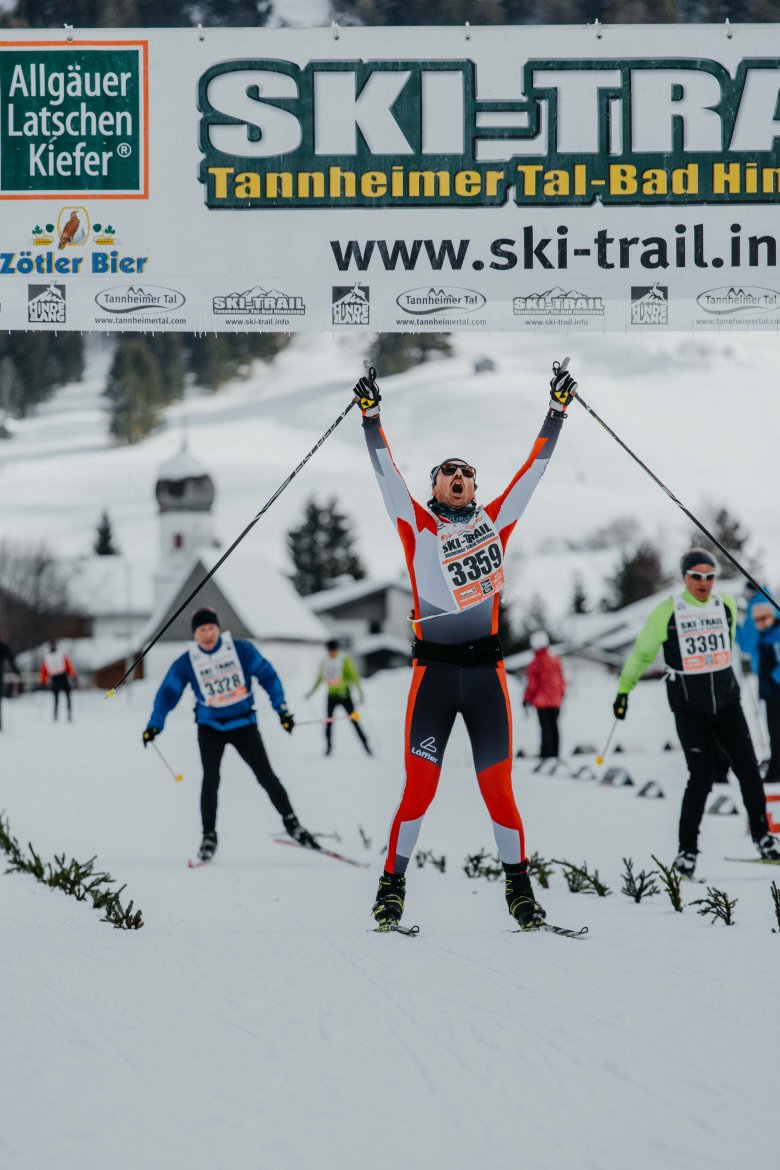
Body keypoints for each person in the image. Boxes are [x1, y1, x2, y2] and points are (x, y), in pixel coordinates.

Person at [353, 360, 577, 929]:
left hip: (486, 677)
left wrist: (556, 413)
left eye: (466, 473)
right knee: (419, 790)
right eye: (446, 472)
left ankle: (520, 893)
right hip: (433, 676)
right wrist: (371, 419)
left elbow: (533, 473)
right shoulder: (418, 527)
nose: (457, 477)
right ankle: (391, 888)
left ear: (475, 488)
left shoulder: (495, 524)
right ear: (434, 488)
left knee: (498, 787)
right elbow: (386, 475)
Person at [613, 548, 780, 878]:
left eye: (710, 576)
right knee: (700, 779)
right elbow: (642, 653)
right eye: (696, 576)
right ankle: (687, 851)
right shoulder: (667, 611)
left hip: (728, 704)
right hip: (690, 710)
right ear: (684, 577)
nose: (704, 583)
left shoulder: (727, 605)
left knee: (748, 770)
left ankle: (763, 839)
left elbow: (742, 642)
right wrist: (624, 690)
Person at [142, 607, 317, 862]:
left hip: (244, 724)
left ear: (218, 629)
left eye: (211, 628)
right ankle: (209, 836)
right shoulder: (187, 661)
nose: (207, 634)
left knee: (266, 775)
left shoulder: (240, 650)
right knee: (210, 779)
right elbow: (169, 692)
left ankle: (293, 824)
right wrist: (154, 724)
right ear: (195, 634)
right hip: (210, 728)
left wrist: (282, 710)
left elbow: (268, 676)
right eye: (201, 630)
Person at [306, 639, 372, 756]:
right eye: (330, 651)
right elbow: (319, 678)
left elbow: (354, 677)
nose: (332, 653)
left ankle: (366, 746)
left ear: (337, 650)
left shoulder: (345, 660)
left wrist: (360, 693)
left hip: (345, 696)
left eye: (334, 650)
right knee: (329, 722)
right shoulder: (325, 662)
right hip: (331, 696)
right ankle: (328, 748)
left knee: (354, 721)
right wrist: (311, 692)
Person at [523, 630, 566, 758]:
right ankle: (555, 753)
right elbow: (561, 681)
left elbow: (532, 685)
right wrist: (561, 695)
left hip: (542, 702)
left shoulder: (536, 663)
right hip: (556, 701)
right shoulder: (555, 661)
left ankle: (546, 754)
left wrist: (526, 699)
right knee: (554, 727)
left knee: (545, 728)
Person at [752, 602, 780, 782]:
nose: (761, 622)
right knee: (774, 731)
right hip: (769, 693)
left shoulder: (776, 636)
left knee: (777, 731)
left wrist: (774, 679)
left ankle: (776, 771)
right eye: (757, 619)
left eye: (764, 618)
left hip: (776, 691)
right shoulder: (764, 637)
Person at [40, 639, 77, 722]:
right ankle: (55, 714)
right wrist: (43, 680)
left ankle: (69, 713)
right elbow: (44, 670)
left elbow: (68, 664)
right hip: (54, 677)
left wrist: (72, 674)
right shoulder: (47, 657)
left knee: (68, 695)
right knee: (56, 697)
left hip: (63, 676)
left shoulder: (61, 654)